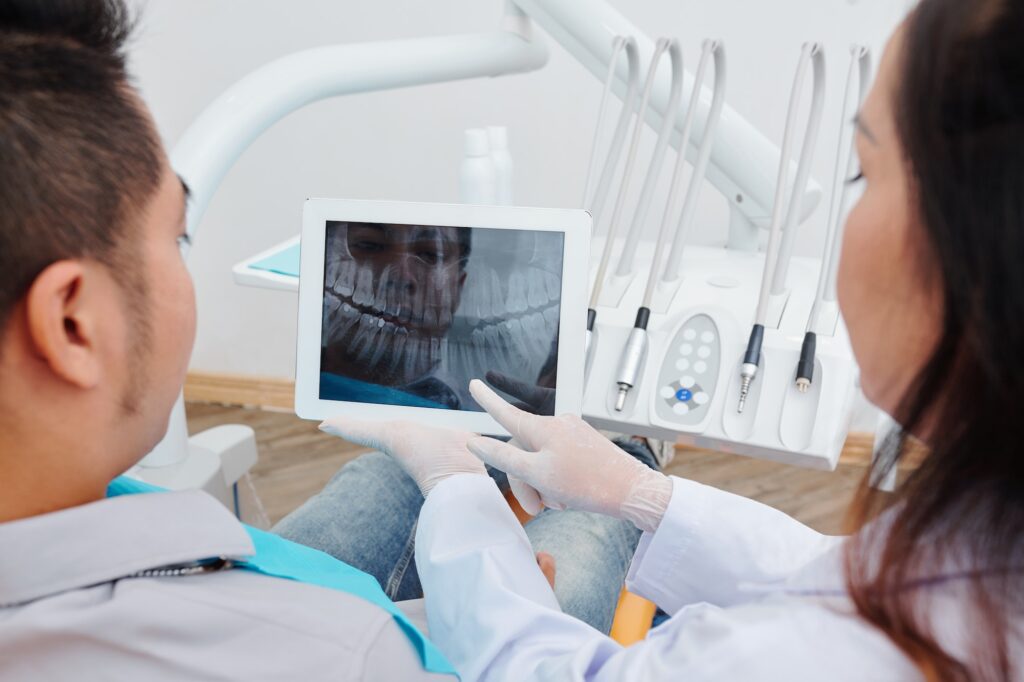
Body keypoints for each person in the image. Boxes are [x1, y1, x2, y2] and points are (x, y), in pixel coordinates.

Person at [321, 0, 1024, 679]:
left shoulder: (832, 653)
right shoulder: (983, 550)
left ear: (980, 246)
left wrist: (457, 490)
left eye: (862, 173)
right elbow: (834, 574)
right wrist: (640, 493)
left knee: (390, 478)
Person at [0, 3, 451, 679]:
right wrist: (485, 621)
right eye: (176, 236)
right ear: (73, 323)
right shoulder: (347, 660)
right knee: (584, 520)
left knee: (389, 472)